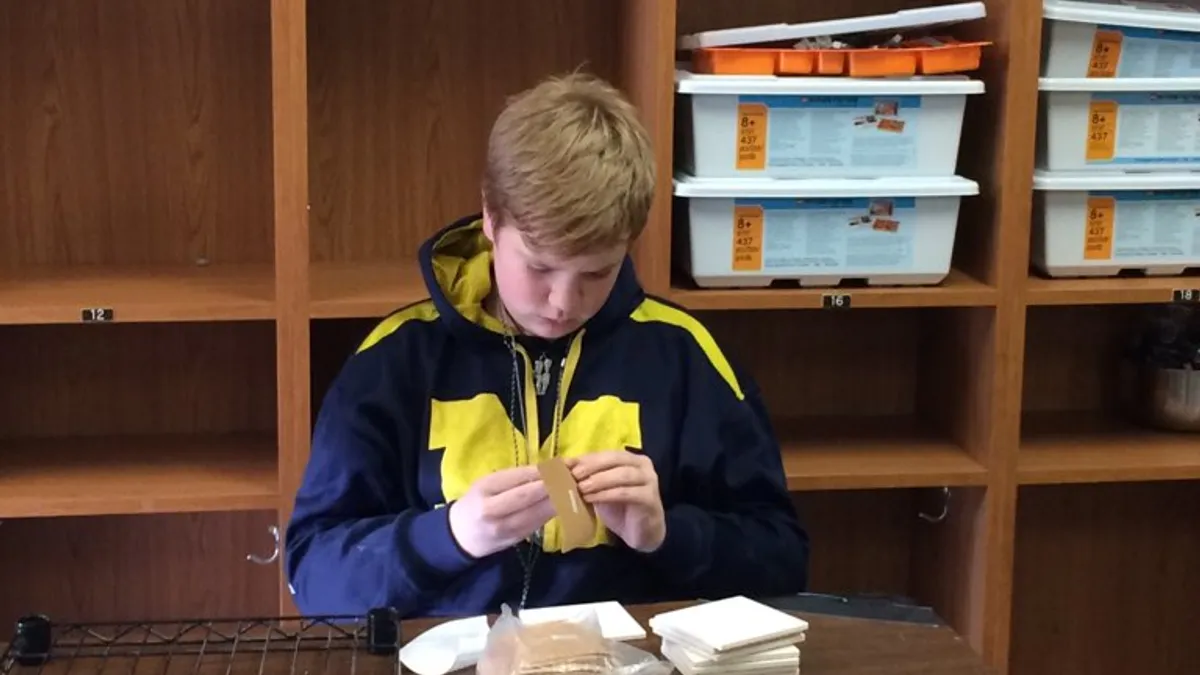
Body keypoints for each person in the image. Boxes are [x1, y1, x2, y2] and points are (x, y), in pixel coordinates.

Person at [284, 72, 810, 619]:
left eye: (597, 273)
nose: (563, 302)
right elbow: (313, 577)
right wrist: (448, 536)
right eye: (539, 266)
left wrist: (667, 533)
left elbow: (783, 562)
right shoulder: (395, 361)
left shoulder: (685, 356)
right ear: (490, 217)